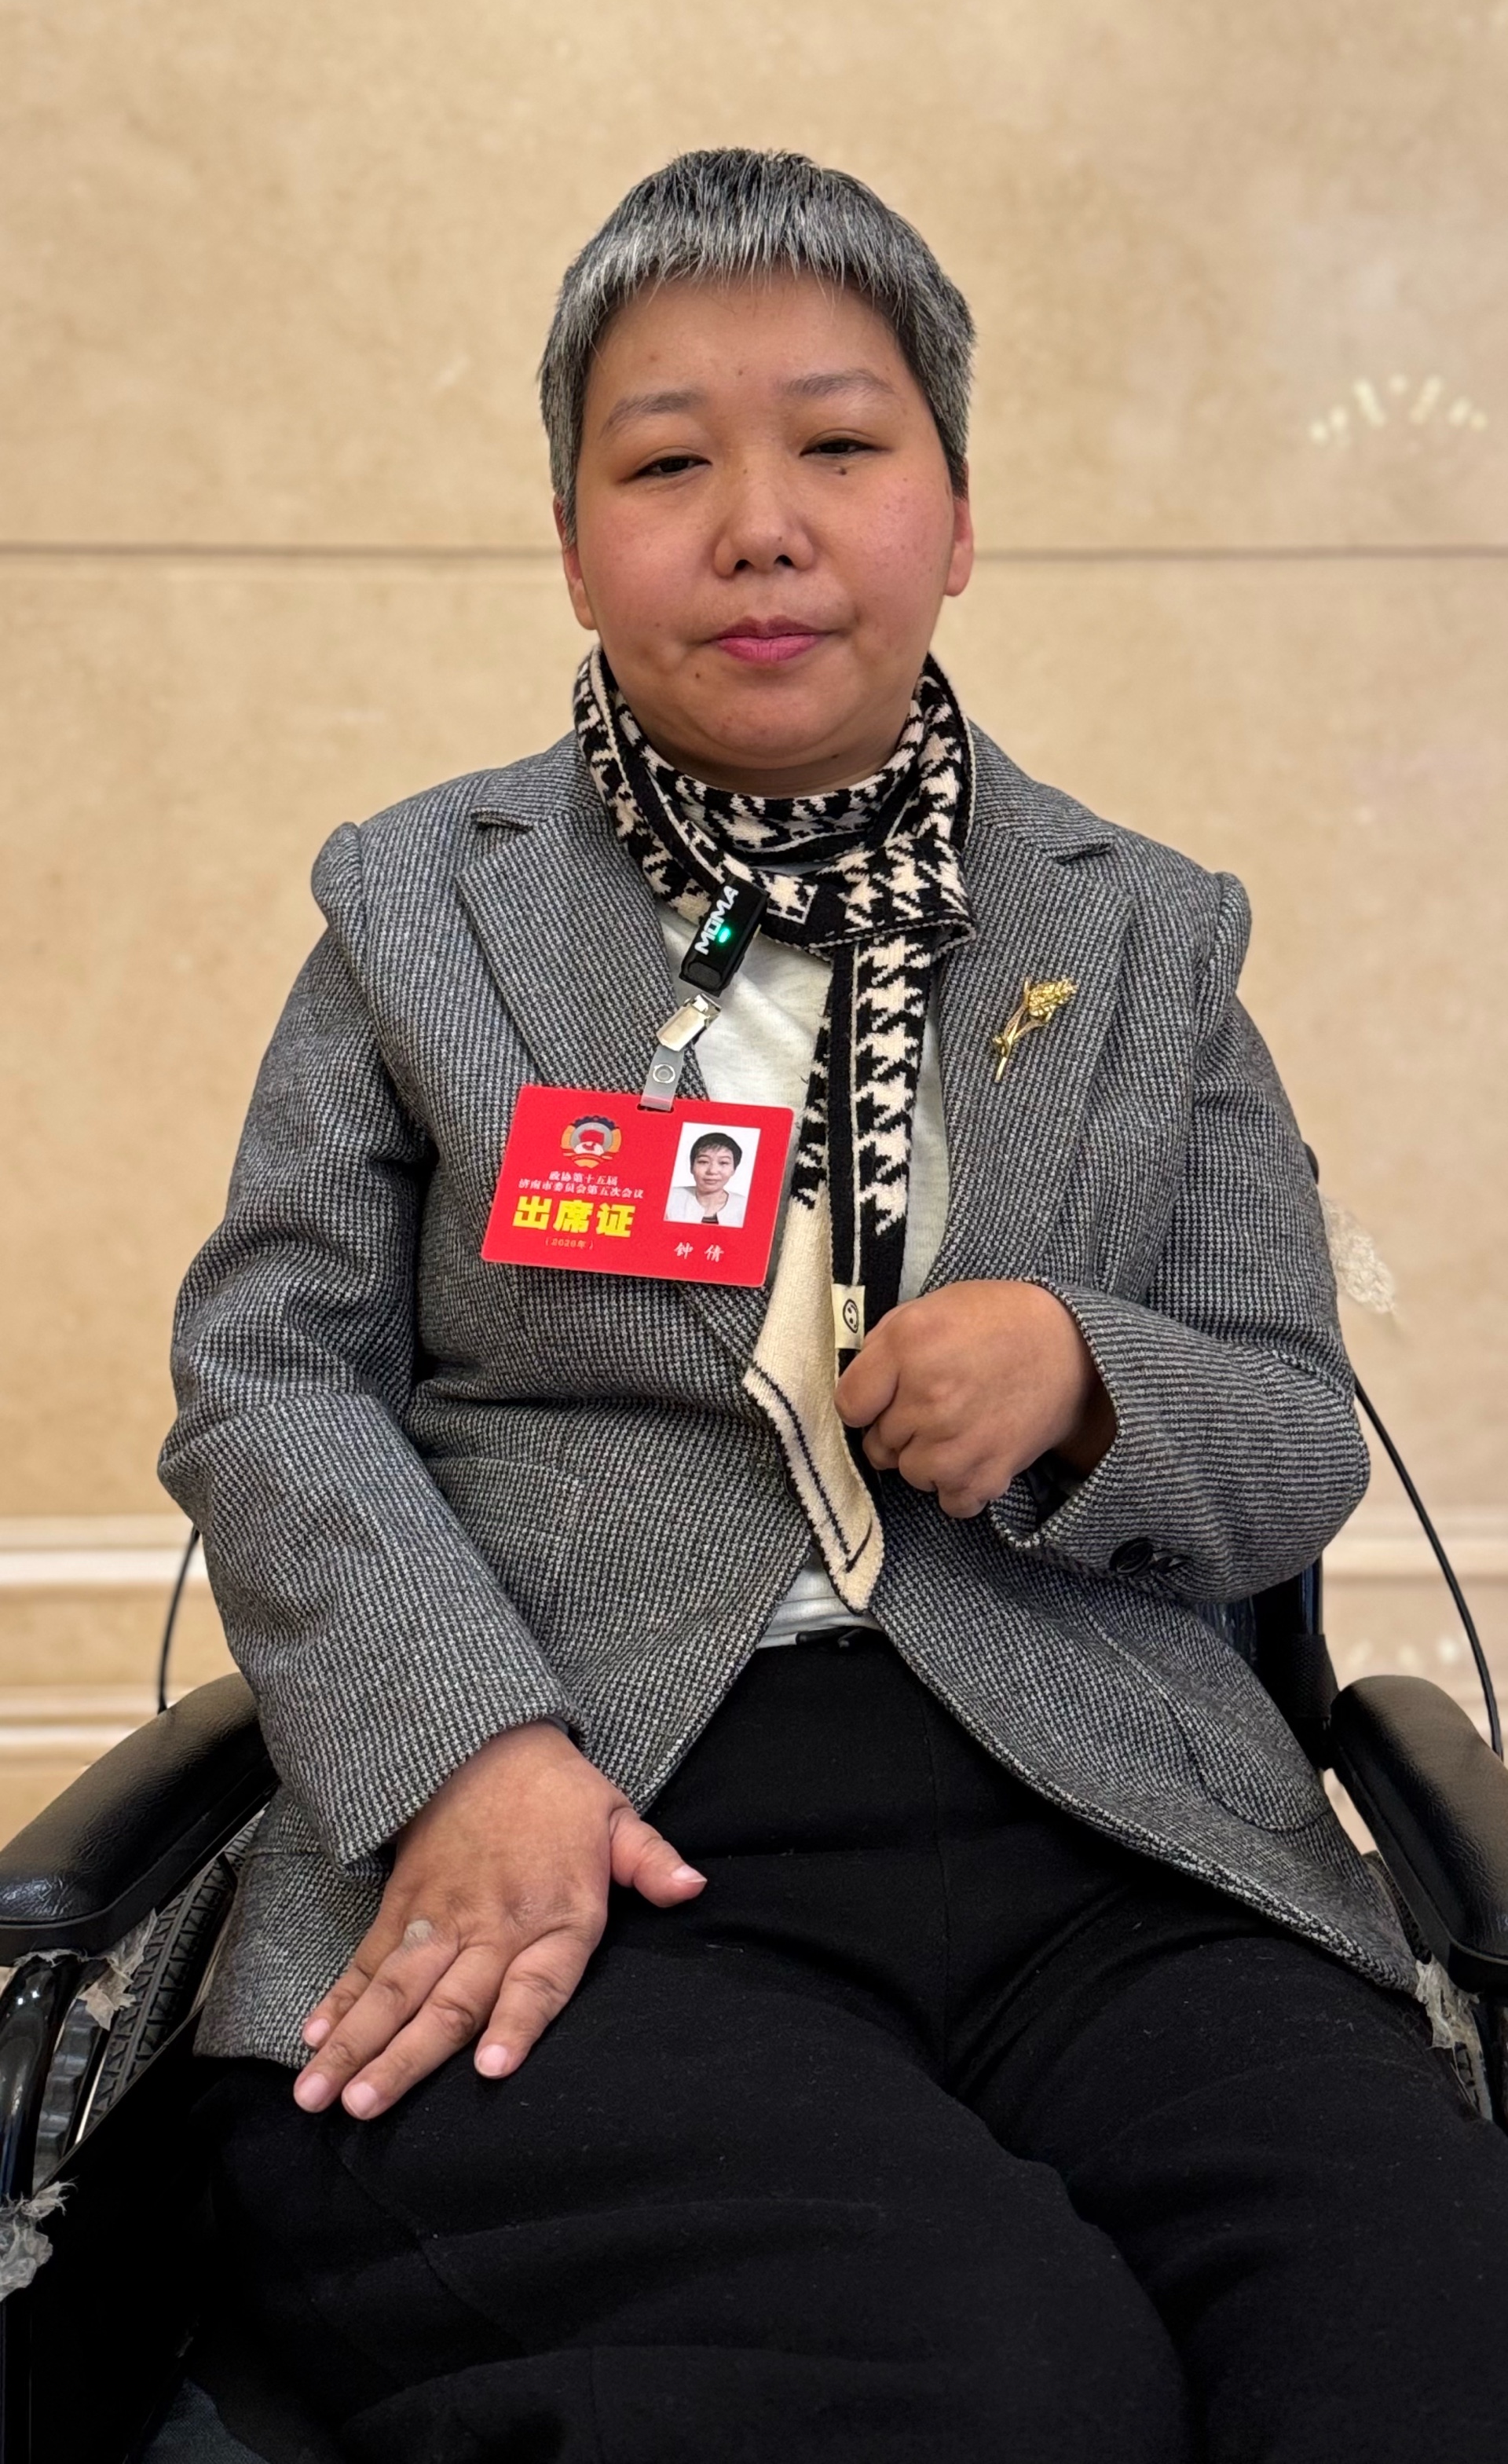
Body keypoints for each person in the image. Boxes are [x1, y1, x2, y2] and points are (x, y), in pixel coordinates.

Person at [163, 149, 1508, 2464]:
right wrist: (465, 1744)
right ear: (571, 541)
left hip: (1105, 1840)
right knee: (978, 2382)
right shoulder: (420, 912)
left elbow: (1292, 1427)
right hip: (582, 1833)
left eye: (841, 444)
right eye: (665, 463)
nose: (759, 526)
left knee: (1425, 2325)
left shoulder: (1144, 931)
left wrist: (1094, 1387)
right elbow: (265, 1378)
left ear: (955, 517)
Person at [664, 1126, 749, 1225]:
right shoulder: (669, 1199)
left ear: (734, 1170)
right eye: (703, 1162)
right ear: (691, 1167)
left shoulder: (745, 1207)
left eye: (723, 1163)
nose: (712, 1171)